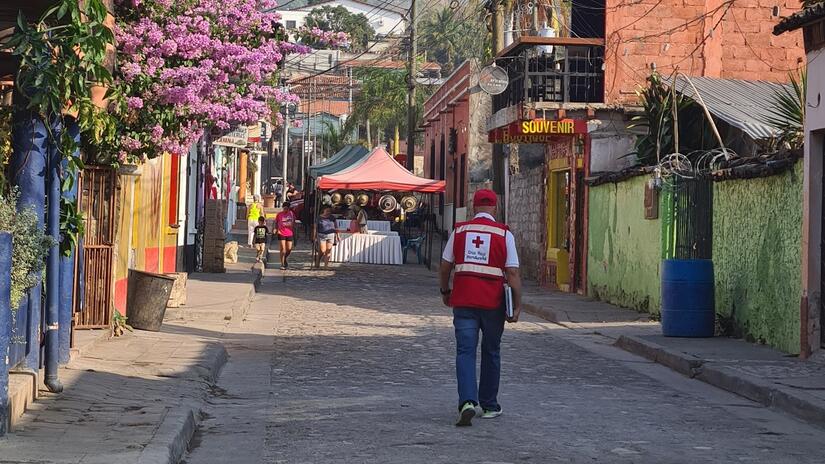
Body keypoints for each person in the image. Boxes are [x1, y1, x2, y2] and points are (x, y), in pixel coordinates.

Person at [438, 189, 522, 427]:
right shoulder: (504, 234)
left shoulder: (460, 230)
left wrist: (445, 291)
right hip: (493, 303)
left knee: (465, 351)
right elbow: (513, 272)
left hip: (464, 300)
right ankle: (489, 405)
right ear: (495, 207)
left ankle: (466, 402)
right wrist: (517, 305)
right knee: (491, 351)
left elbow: (445, 267)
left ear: (474, 207)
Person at [275, 201, 296, 270]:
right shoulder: (279, 214)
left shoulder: (291, 214)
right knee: (283, 249)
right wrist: (275, 229)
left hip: (289, 233)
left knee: (289, 249)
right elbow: (276, 222)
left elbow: (294, 223)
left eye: (287, 209)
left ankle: (285, 259)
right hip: (281, 232)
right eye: (284, 208)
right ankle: (282, 263)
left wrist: (295, 233)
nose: (285, 210)